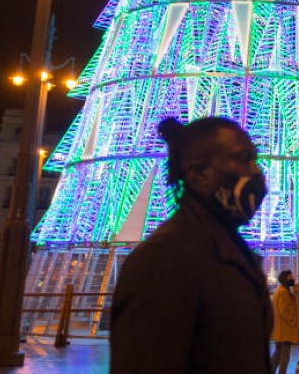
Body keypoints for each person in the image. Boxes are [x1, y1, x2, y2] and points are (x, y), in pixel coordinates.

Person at [111, 116, 271, 373]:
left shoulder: (230, 248)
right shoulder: (164, 259)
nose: (255, 172)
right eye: (242, 159)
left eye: (254, 159)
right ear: (198, 174)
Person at [271, 270, 299, 374]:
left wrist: (295, 292)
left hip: (280, 329)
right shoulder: (283, 292)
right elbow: (283, 311)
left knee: (278, 353)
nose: (292, 279)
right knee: (285, 356)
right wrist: (292, 321)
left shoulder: (279, 290)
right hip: (285, 329)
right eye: (290, 277)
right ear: (284, 278)